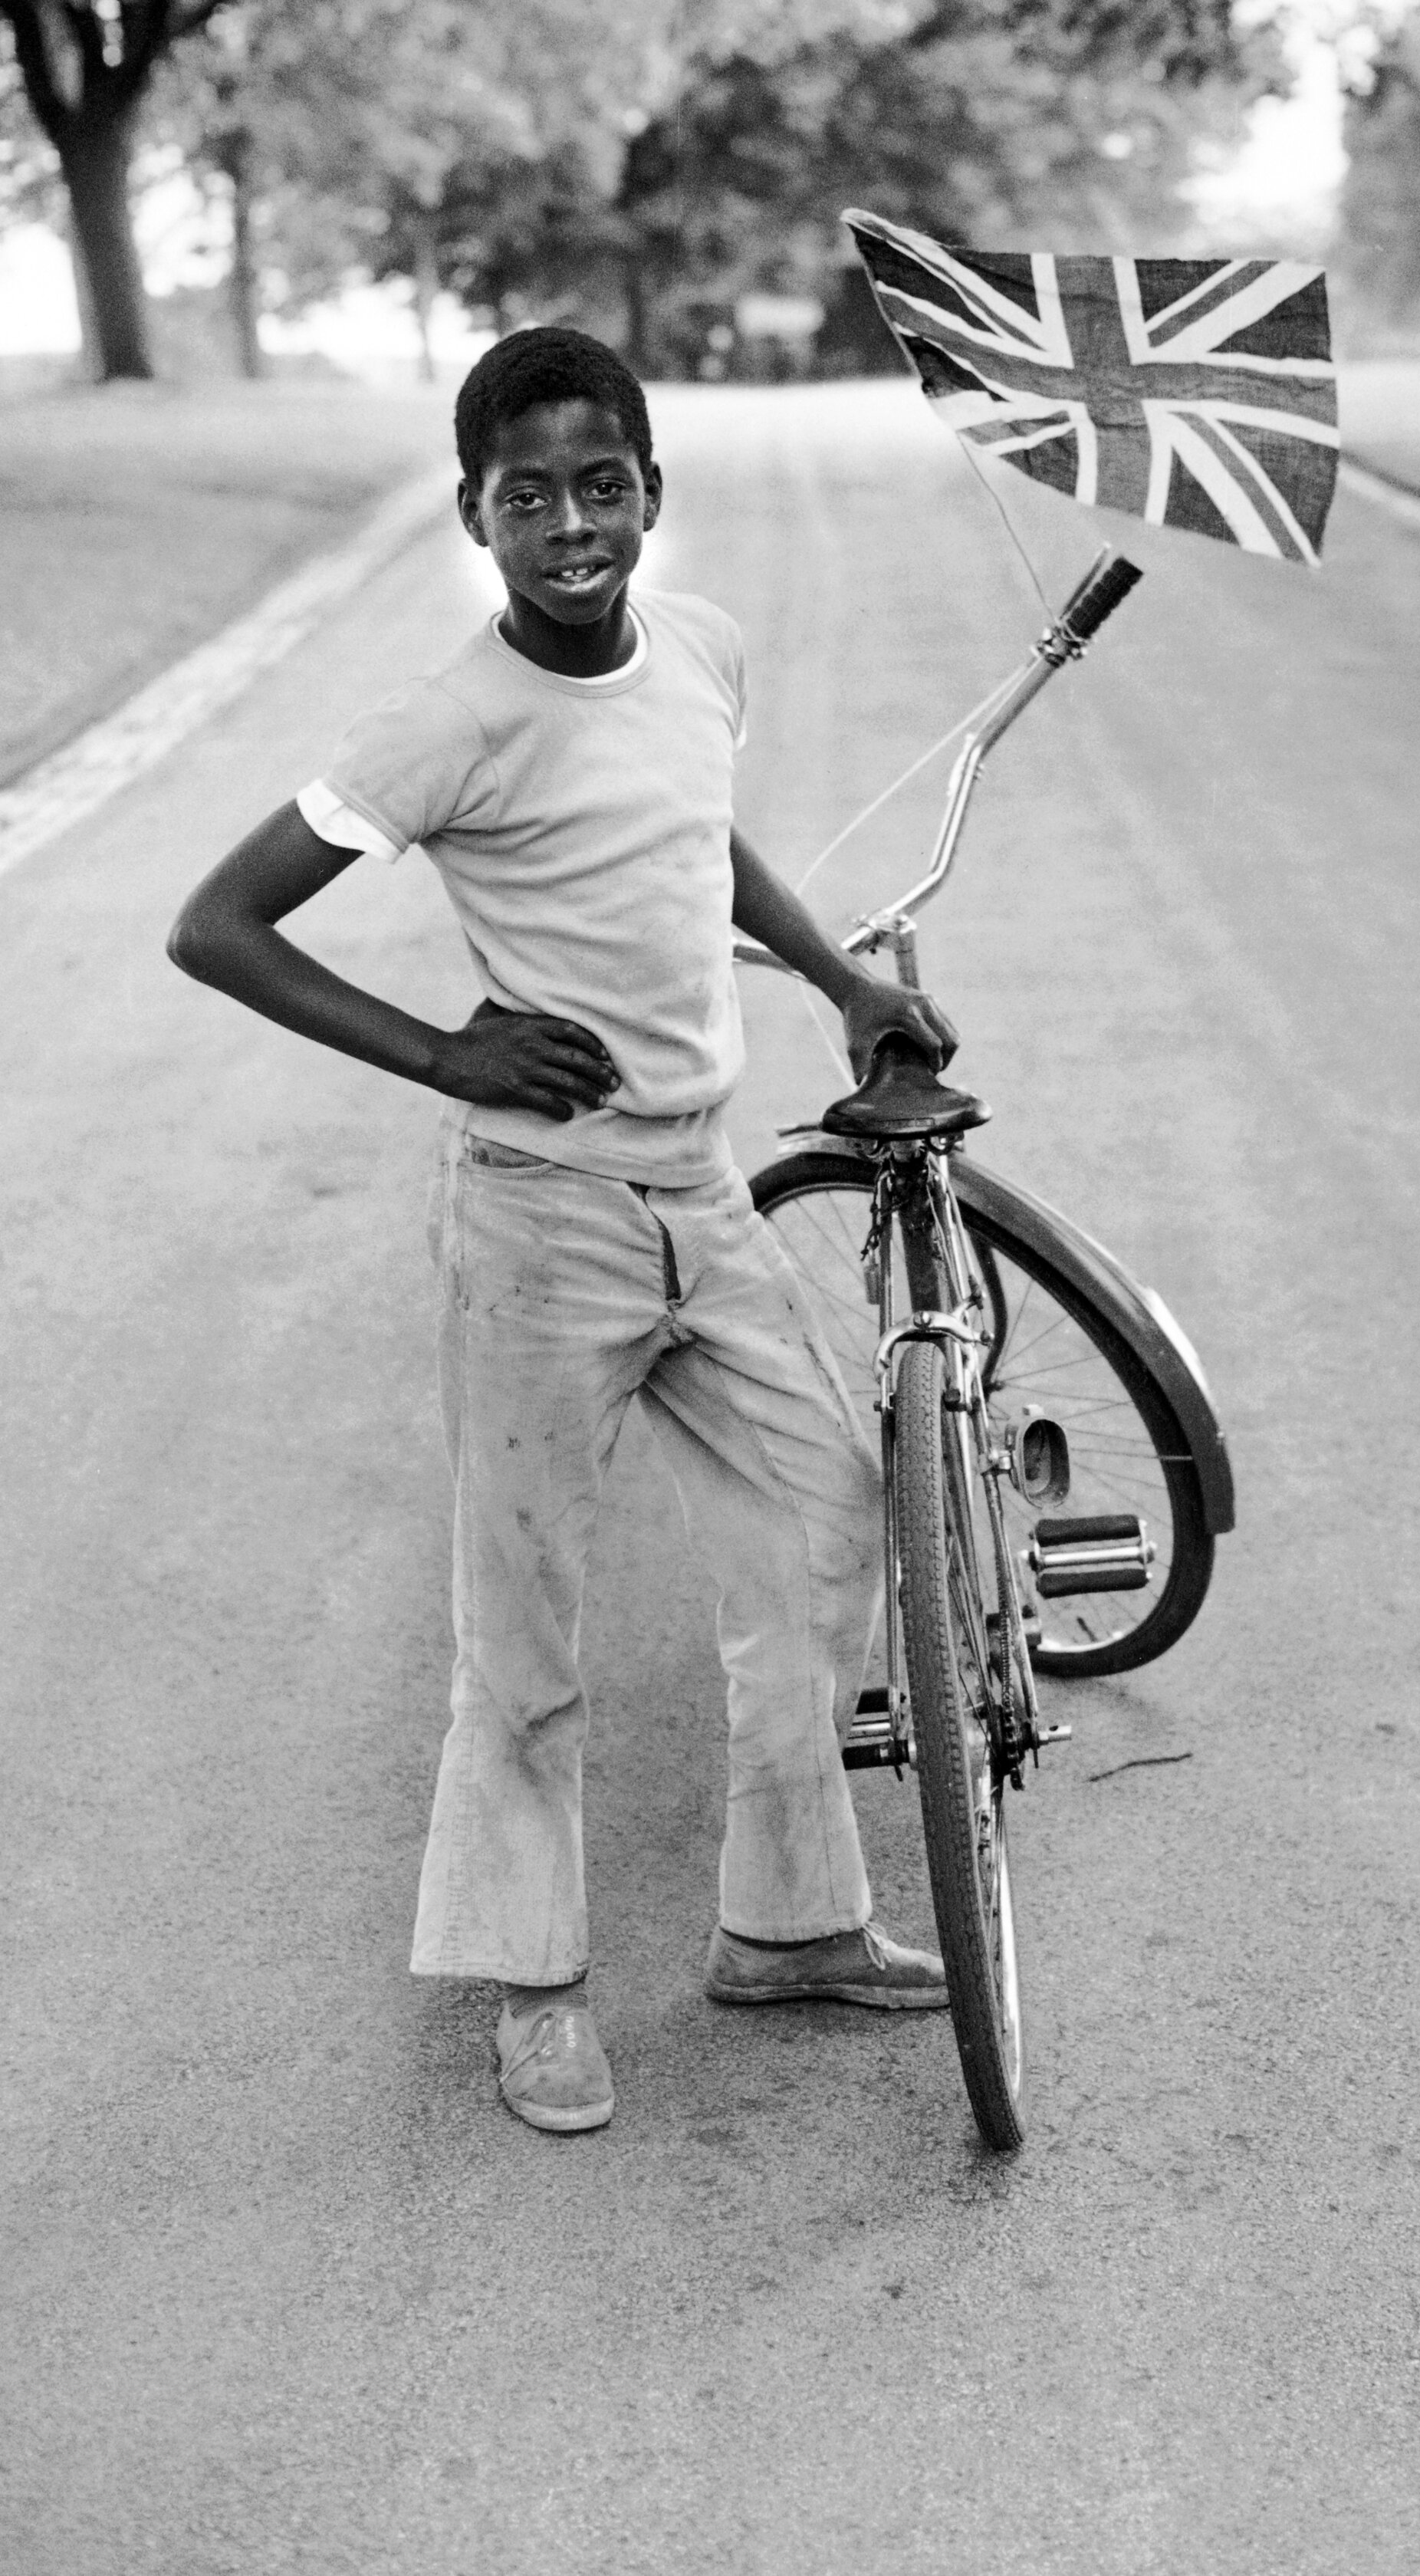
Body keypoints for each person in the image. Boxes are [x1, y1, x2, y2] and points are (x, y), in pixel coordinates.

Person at [168, 323, 960, 2135]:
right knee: (526, 1620)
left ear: (650, 495)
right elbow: (218, 926)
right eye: (527, 495)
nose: (570, 522)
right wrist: (444, 1048)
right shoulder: (446, 725)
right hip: (543, 1223)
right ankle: (533, 1985)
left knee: (830, 1513)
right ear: (475, 515)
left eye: (601, 484)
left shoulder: (702, 651)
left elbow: (700, 832)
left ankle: (787, 1924)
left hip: (701, 1185)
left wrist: (841, 980)